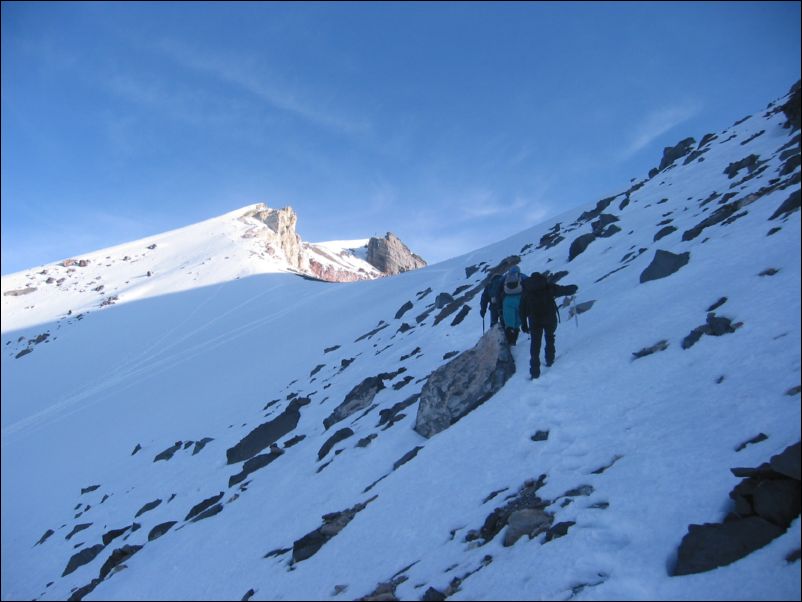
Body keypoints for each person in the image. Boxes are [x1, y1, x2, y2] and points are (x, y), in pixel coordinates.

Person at [519, 272, 578, 379]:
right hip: (549, 317)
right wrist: (572, 288)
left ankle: (534, 372)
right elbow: (561, 290)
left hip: (534, 319)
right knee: (550, 337)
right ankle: (550, 359)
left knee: (535, 345)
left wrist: (524, 324)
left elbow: (522, 308)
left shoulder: (526, 290)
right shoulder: (547, 285)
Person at [501, 265, 523, 345]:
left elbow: (498, 290)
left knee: (509, 322)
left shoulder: (505, 277)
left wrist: (500, 303)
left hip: (508, 300)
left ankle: (509, 341)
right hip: (520, 300)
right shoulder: (521, 276)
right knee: (517, 322)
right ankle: (514, 341)